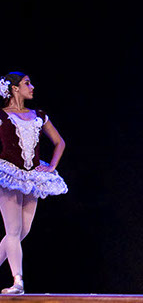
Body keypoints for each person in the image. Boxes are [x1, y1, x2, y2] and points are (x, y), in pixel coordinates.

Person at [0, 72, 68, 294]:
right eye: (27, 83)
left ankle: (17, 281)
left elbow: (59, 142)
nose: (32, 87)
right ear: (14, 88)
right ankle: (18, 282)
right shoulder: (2, 116)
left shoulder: (39, 115)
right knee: (13, 230)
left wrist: (51, 167)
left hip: (31, 177)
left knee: (23, 231)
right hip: (9, 175)